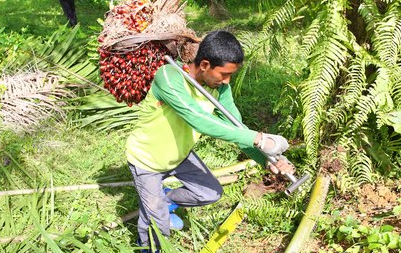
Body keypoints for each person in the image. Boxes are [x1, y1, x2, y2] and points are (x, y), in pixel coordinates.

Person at [126, 30, 295, 251]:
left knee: (209, 192)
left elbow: (235, 127)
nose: (227, 81)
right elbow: (198, 119)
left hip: (179, 154)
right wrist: (259, 138)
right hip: (147, 160)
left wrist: (267, 160)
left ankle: (164, 200)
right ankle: (147, 245)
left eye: (231, 75)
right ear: (204, 64)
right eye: (224, 74)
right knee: (158, 226)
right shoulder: (169, 76)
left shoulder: (220, 88)